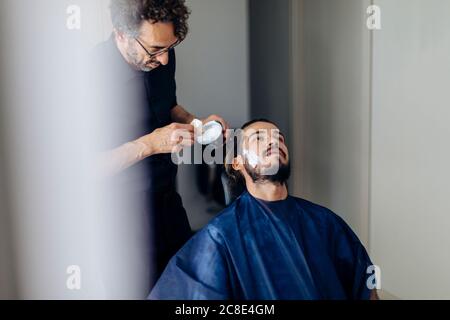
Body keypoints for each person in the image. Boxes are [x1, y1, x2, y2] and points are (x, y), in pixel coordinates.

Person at [149, 119, 379, 300]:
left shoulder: (325, 222)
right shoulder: (220, 236)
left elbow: (365, 283)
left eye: (279, 137)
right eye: (259, 138)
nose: (273, 141)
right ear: (236, 163)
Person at [92, 0, 229, 288]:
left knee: (184, 288)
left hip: (168, 200)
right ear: (121, 34)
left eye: (171, 47)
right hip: (122, 219)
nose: (165, 59)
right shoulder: (88, 76)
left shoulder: (164, 56)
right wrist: (151, 144)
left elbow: (167, 106)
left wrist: (196, 124)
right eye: (155, 50)